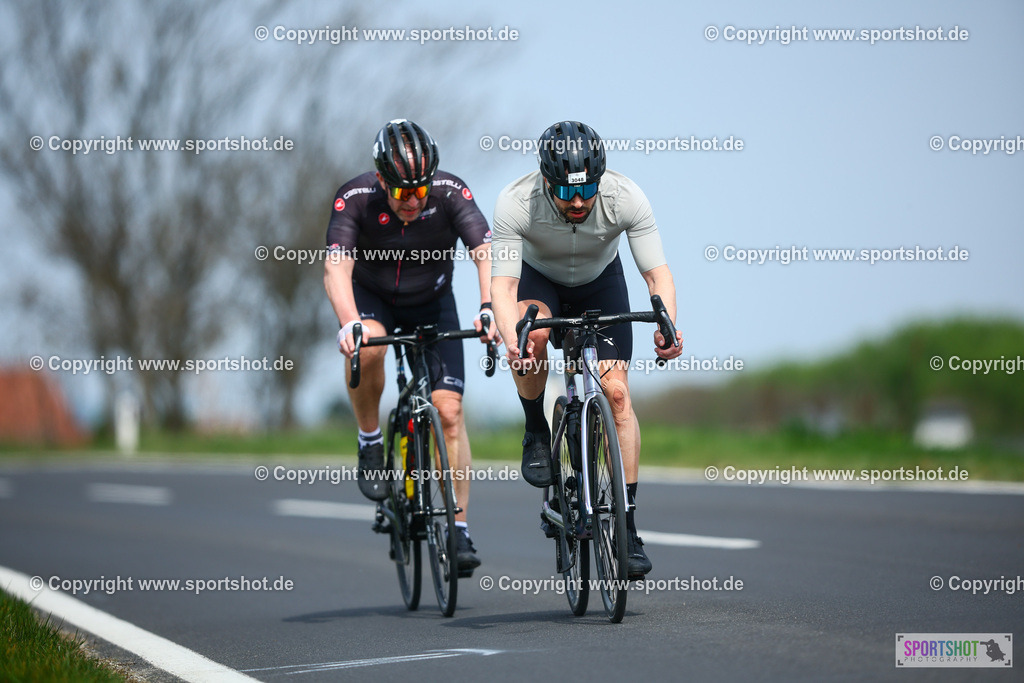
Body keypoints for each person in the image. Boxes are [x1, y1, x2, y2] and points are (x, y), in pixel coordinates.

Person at [490, 120, 684, 578]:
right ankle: (536, 430)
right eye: (565, 192)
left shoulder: (626, 196)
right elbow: (503, 286)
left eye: (587, 190)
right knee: (533, 335)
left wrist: (668, 325)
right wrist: (511, 336)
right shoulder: (515, 201)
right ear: (545, 180)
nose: (578, 202)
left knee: (617, 395)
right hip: (542, 284)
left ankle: (627, 526)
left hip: (601, 284)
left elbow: (657, 275)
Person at [325, 119, 496, 576]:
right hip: (374, 300)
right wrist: (349, 323)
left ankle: (458, 528)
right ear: (381, 180)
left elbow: (485, 250)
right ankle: (369, 439)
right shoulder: (356, 198)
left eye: (419, 190)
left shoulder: (449, 193)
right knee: (369, 351)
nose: (413, 201)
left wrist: (487, 306)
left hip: (432, 302)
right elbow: (336, 268)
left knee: (449, 413)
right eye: (401, 193)